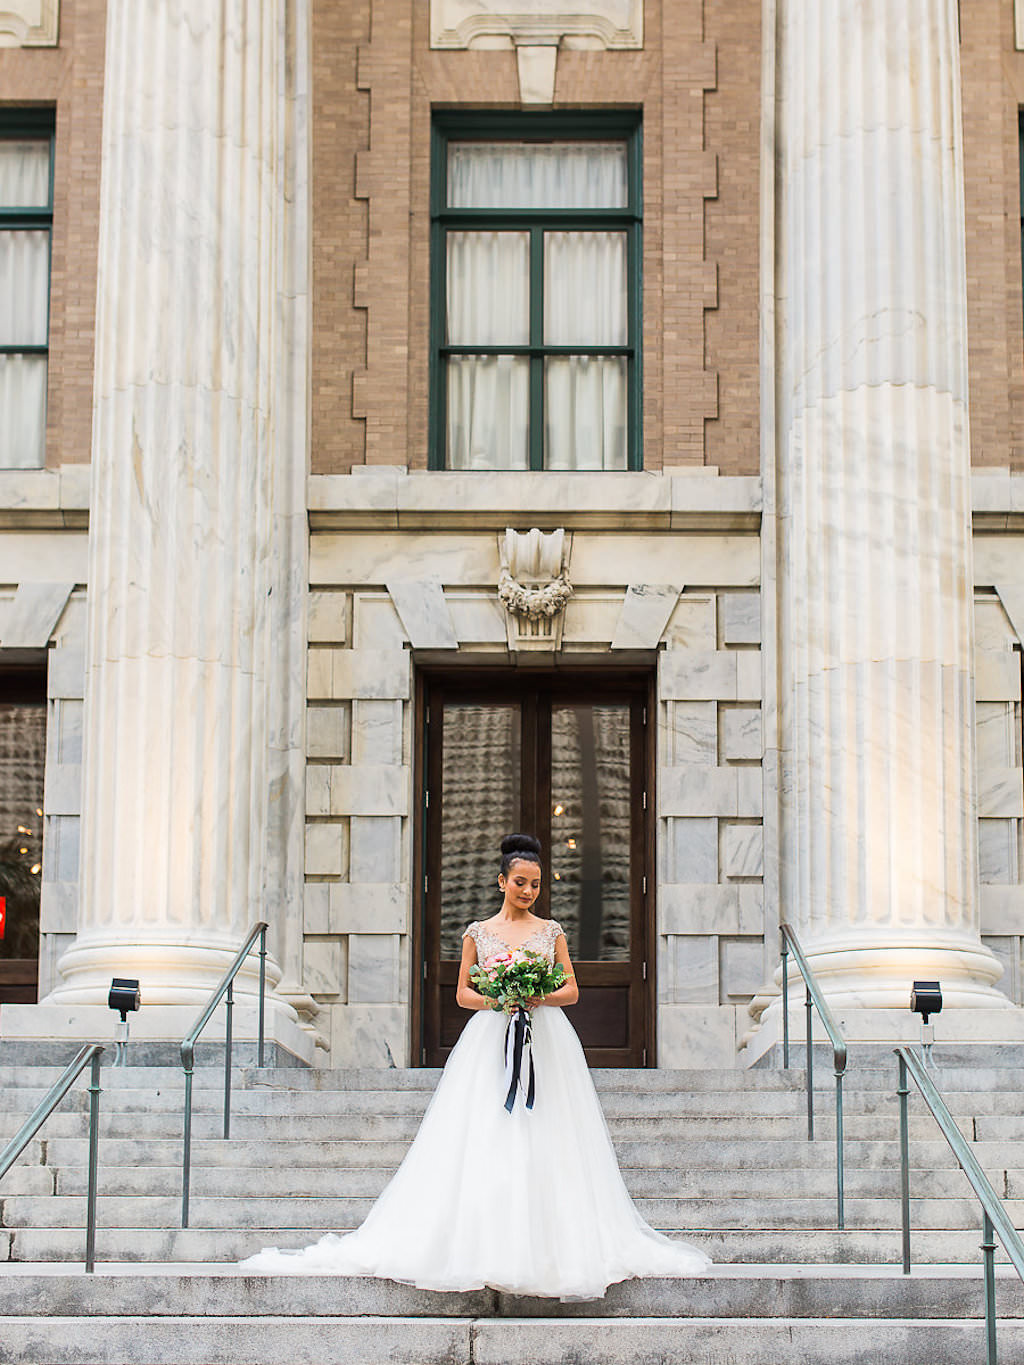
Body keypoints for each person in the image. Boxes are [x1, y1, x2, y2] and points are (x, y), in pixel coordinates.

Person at [240, 833, 711, 1298]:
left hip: (545, 1038)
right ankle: (478, 1242)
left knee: (552, 1129)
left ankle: (555, 1245)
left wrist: (534, 995)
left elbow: (571, 990)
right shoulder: (478, 933)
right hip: (491, 1036)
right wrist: (499, 998)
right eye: (521, 882)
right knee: (483, 1128)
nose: (529, 892)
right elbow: (464, 992)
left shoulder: (551, 932)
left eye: (536, 885)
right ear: (501, 881)